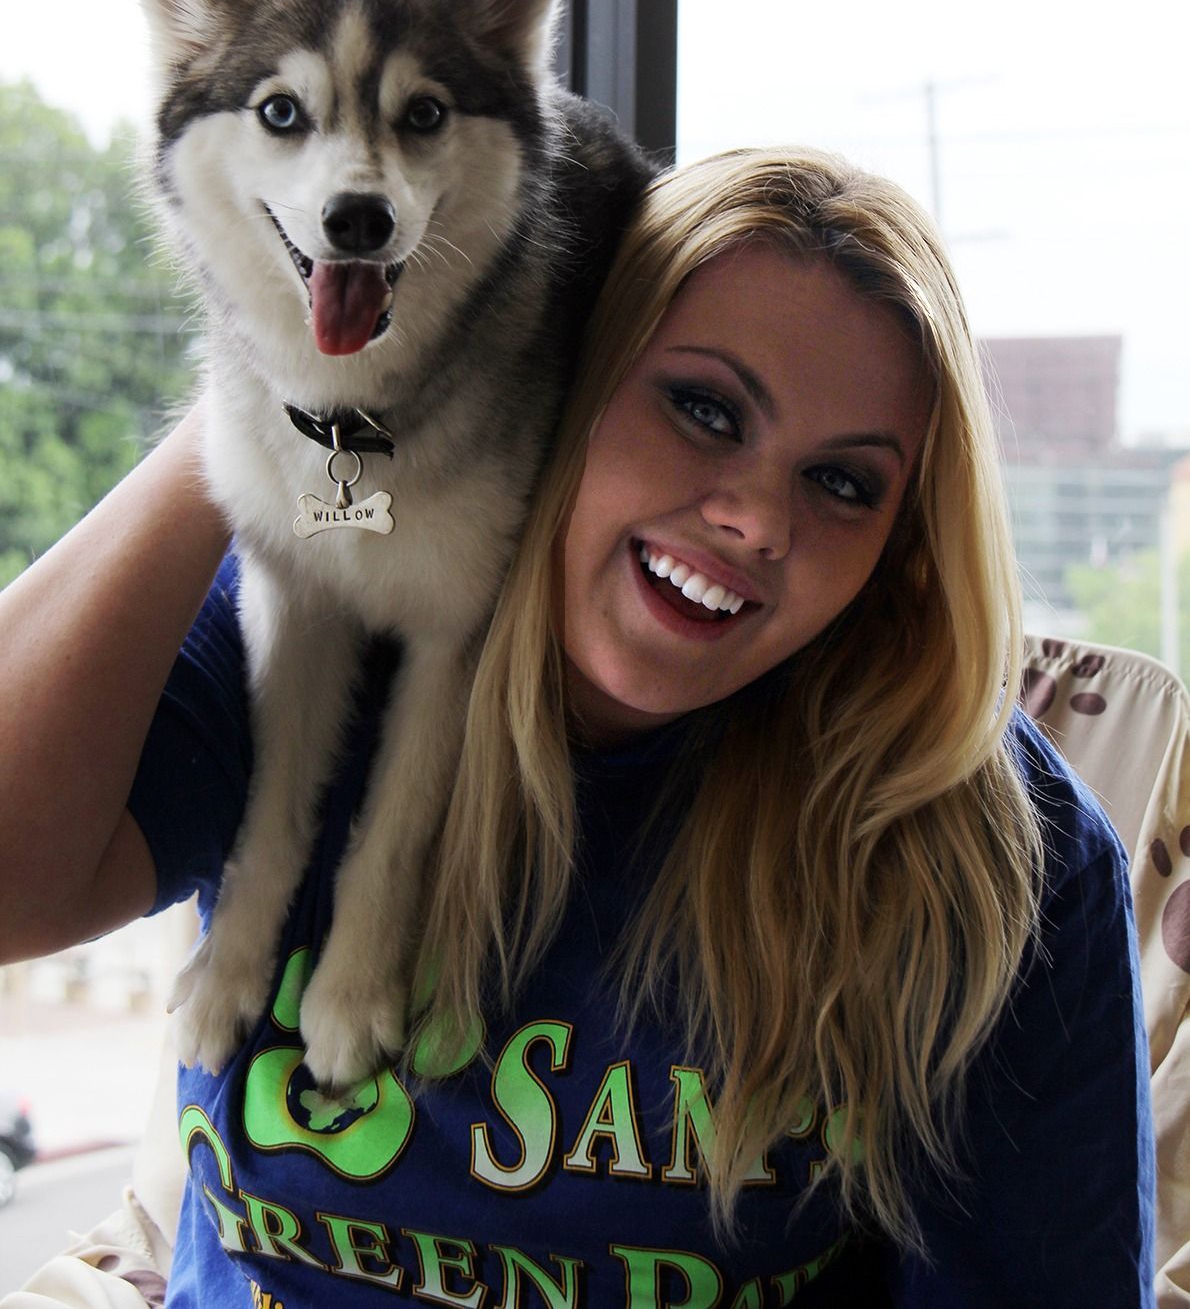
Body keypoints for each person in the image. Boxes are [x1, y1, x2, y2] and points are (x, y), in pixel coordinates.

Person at [0, 148, 1154, 1307]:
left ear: (895, 554)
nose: (757, 520)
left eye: (843, 484)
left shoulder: (1001, 865)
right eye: (703, 409)